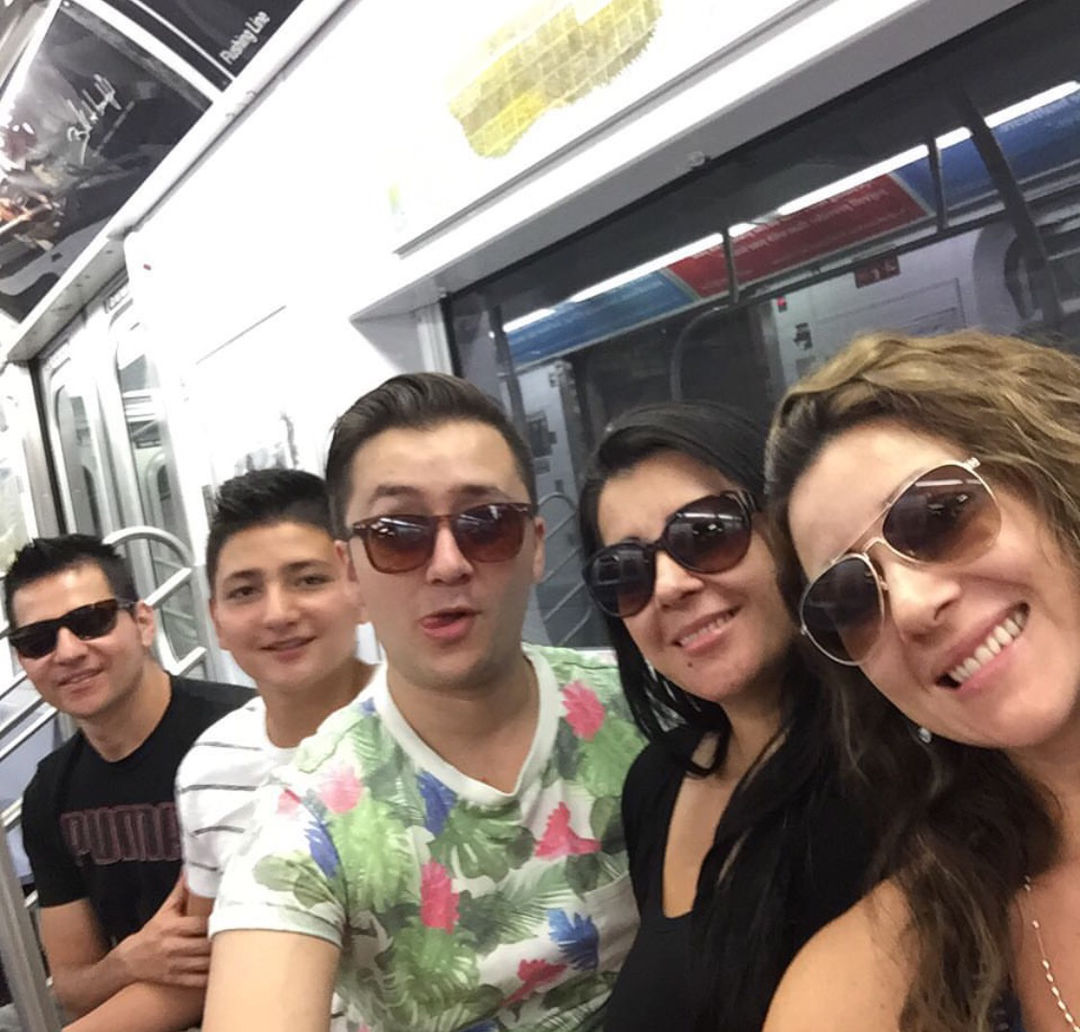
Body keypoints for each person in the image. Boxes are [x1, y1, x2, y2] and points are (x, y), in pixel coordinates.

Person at [202, 373, 645, 1032]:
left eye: (486, 524)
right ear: (350, 571)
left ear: (536, 545)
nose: (447, 564)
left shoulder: (642, 706)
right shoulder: (312, 814)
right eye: (397, 533)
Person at [763, 329, 1080, 1032]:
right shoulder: (861, 991)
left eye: (937, 516)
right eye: (850, 600)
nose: (910, 607)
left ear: (1058, 482)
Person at [576, 401, 870, 1032]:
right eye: (625, 571)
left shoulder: (895, 776)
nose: (669, 585)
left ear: (787, 529)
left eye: (706, 533)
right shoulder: (658, 782)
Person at [6, 535, 249, 1032]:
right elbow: (72, 988)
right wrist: (129, 960)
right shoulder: (49, 793)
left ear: (142, 622)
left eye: (91, 621)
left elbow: (226, 962)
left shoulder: (242, 736)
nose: (68, 651)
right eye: (38, 640)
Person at [174, 468, 375, 1028]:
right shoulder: (207, 768)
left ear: (359, 588)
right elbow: (214, 959)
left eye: (308, 580)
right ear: (216, 621)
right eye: (244, 591)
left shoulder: (430, 721)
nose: (278, 613)